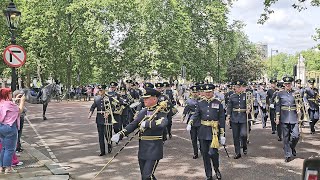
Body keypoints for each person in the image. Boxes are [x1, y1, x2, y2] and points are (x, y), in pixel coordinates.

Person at [111, 87, 168, 180]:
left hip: (154, 148)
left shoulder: (161, 111)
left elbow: (162, 124)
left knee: (147, 176)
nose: (144, 100)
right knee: (145, 176)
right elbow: (133, 124)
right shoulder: (143, 111)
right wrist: (120, 134)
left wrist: (148, 123)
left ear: (154, 99)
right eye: (144, 98)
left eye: (147, 98)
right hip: (143, 148)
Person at [188, 84, 225, 180]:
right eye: (206, 92)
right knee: (205, 154)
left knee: (213, 153)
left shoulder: (218, 103)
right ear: (203, 93)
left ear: (213, 92)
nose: (208, 93)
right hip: (203, 131)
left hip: (214, 131)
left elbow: (221, 118)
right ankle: (208, 174)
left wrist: (222, 133)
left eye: (210, 92)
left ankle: (216, 169)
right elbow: (196, 115)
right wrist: (190, 122)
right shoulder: (200, 103)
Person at [0, 88, 25, 174]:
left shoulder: (1, 103)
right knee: (10, 149)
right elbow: (19, 110)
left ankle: (1, 167)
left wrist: (15, 99)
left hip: (2, 127)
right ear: (6, 95)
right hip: (10, 128)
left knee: (3, 148)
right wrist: (22, 101)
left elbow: (9, 107)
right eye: (10, 93)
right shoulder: (9, 104)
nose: (11, 95)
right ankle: (8, 168)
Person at [275, 76, 300, 162]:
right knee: (285, 137)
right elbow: (277, 106)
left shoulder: (296, 93)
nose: (287, 85)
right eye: (286, 84)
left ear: (291, 84)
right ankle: (287, 155)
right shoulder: (280, 94)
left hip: (294, 116)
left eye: (289, 84)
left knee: (296, 136)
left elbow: (300, 104)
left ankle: (291, 147)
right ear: (284, 85)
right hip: (284, 117)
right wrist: (277, 117)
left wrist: (300, 112)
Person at [226, 80, 248, 159]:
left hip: (243, 117)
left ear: (242, 87)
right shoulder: (232, 96)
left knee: (244, 134)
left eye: (239, 87)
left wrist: (249, 109)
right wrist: (228, 117)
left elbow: (250, 104)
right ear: (235, 88)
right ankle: (237, 152)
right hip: (234, 118)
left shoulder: (246, 95)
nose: (238, 89)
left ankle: (244, 145)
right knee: (235, 136)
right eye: (237, 87)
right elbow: (229, 107)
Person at [88, 86, 112, 156]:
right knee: (100, 136)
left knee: (107, 135)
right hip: (99, 119)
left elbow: (113, 107)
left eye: (102, 90)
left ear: (105, 90)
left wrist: (108, 112)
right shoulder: (96, 98)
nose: (100, 91)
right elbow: (93, 106)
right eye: (100, 90)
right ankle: (102, 151)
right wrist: (90, 113)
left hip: (107, 119)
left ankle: (109, 144)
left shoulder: (109, 98)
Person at [182, 85, 200, 159]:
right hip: (192, 121)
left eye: (196, 92)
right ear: (191, 92)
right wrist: (183, 116)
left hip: (200, 120)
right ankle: (195, 152)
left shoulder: (202, 100)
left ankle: (202, 149)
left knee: (201, 137)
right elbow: (186, 109)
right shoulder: (189, 101)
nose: (195, 94)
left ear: (199, 92)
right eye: (193, 92)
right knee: (193, 138)